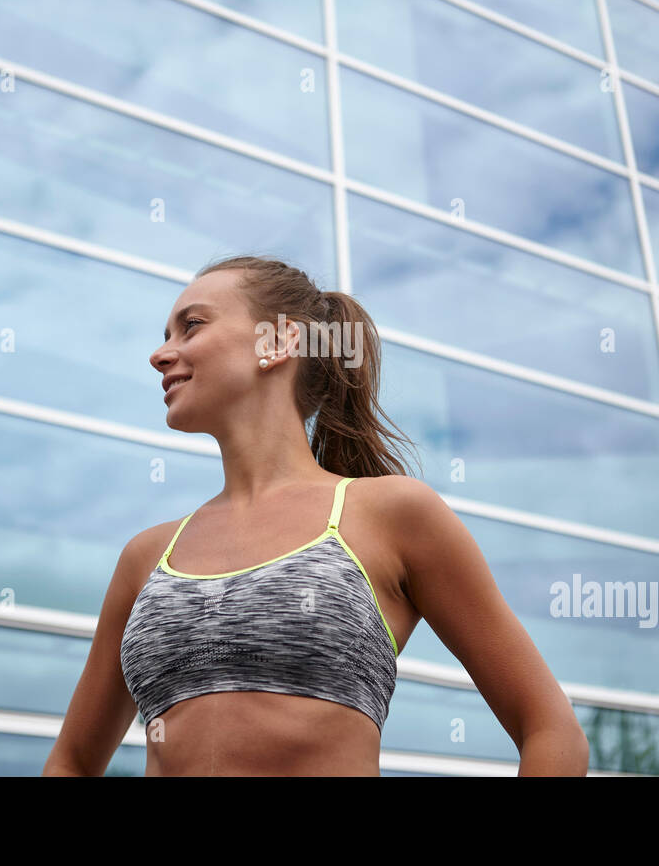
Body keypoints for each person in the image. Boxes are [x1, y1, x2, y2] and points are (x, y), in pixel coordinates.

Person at [42, 255, 588, 776]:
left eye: (191, 326)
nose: (161, 355)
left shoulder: (393, 514)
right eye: (166, 336)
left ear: (278, 341)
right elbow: (71, 762)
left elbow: (551, 730)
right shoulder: (146, 557)